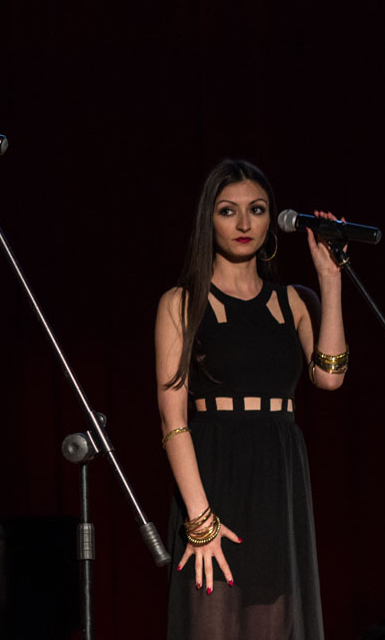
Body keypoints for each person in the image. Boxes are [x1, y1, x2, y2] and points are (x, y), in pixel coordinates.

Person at [155, 159, 347, 638]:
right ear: (209, 220)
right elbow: (173, 420)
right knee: (212, 619)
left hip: (277, 480)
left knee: (275, 622)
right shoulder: (181, 302)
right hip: (214, 477)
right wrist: (200, 520)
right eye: (228, 210)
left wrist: (330, 279)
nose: (244, 223)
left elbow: (330, 377)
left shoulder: (295, 300)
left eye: (257, 210)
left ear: (270, 221)